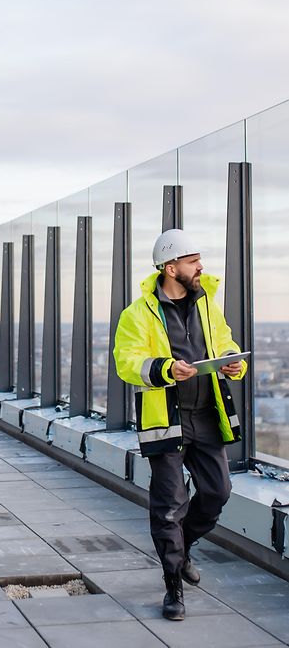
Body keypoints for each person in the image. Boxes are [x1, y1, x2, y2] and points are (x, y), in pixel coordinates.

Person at [113, 228, 247, 621]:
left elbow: (224, 341)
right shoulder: (136, 314)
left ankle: (182, 549)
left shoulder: (208, 304)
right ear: (171, 268)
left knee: (218, 492)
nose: (201, 267)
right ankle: (173, 586)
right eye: (193, 261)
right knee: (169, 507)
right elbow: (127, 362)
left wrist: (233, 360)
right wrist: (167, 368)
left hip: (207, 415)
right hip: (165, 421)